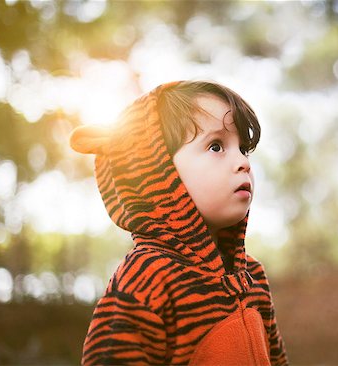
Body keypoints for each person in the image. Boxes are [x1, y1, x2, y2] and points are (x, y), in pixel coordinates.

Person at [69, 80, 288, 365]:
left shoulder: (253, 277)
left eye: (243, 149)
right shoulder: (147, 279)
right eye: (216, 146)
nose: (243, 162)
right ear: (160, 172)